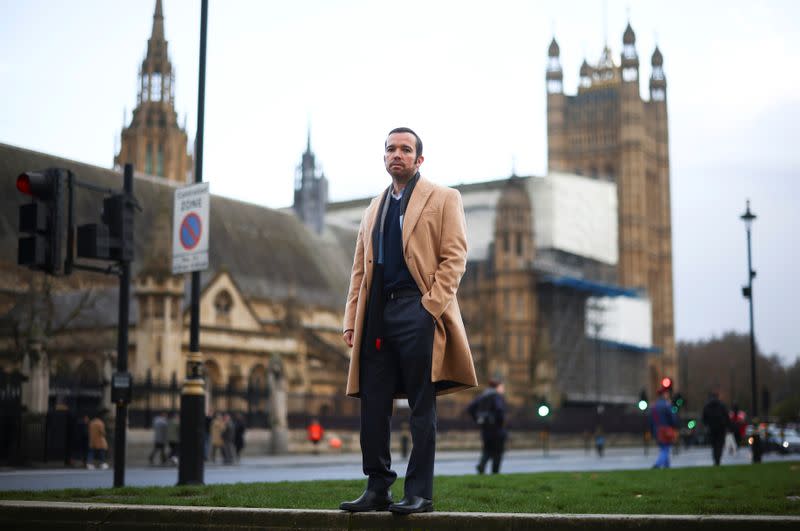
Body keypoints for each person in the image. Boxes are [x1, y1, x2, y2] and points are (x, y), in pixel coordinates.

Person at [339, 127, 478, 515]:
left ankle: (419, 493)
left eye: (405, 149)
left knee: (421, 406)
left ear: (419, 160)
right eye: (390, 149)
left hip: (417, 309)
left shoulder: (444, 198)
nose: (396, 154)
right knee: (374, 402)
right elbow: (358, 272)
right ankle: (378, 486)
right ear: (384, 158)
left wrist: (429, 307)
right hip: (377, 315)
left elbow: (455, 258)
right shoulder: (372, 209)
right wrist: (352, 319)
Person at [467, 379, 507, 474]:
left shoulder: (482, 396)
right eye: (502, 387)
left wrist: (477, 419)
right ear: (497, 387)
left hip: (485, 428)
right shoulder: (496, 396)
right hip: (497, 429)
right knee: (498, 452)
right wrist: (501, 422)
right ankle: (495, 473)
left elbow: (470, 408)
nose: (503, 389)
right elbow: (499, 410)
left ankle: (482, 465)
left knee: (487, 449)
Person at [650, 385, 677, 469]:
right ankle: (658, 464)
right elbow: (672, 418)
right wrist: (674, 426)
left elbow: (651, 420)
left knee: (663, 448)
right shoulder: (667, 405)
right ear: (664, 394)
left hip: (657, 429)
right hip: (665, 429)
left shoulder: (654, 406)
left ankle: (667, 466)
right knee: (665, 448)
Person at [702, 390, 730, 466]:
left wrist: (706, 425)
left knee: (714, 445)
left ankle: (715, 458)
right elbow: (726, 417)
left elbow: (704, 418)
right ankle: (718, 458)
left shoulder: (707, 406)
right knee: (719, 444)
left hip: (711, 428)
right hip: (721, 428)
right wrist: (727, 425)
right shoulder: (721, 405)